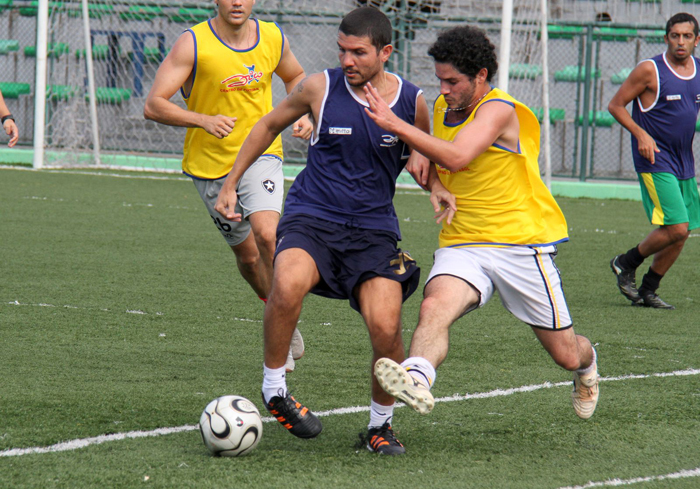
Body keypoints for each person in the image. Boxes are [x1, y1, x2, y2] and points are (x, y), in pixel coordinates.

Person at [215, 7, 430, 454]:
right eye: (342, 50)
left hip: (373, 234)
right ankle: (274, 388)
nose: (347, 60)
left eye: (359, 52)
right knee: (288, 283)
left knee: (386, 327)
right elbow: (267, 125)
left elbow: (423, 157)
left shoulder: (413, 101)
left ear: (385, 52)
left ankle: (379, 427)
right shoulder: (320, 86)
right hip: (312, 218)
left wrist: (438, 185)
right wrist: (232, 183)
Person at [365, 25, 600, 423]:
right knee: (435, 304)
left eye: (452, 81)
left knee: (565, 354)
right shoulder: (442, 108)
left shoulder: (499, 110)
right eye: (439, 79)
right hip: (463, 241)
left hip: (520, 245)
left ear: (480, 77)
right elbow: (431, 163)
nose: (443, 89)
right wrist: (434, 182)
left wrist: (397, 125)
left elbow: (457, 155)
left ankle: (588, 366)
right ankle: (417, 377)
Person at [144, 0, 313, 370]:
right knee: (250, 258)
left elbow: (296, 76)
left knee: (268, 235)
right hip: (209, 168)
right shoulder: (192, 44)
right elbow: (154, 104)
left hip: (261, 156)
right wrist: (202, 120)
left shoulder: (273, 37)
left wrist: (305, 111)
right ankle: (275, 306)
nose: (237, 2)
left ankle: (281, 327)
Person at [607, 12, 700, 310]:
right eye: (675, 35)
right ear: (666, 38)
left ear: (697, 40)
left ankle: (648, 290)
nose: (681, 42)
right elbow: (616, 105)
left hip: (684, 160)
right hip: (655, 158)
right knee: (677, 227)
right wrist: (641, 134)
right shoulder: (650, 70)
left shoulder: (699, 69)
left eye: (687, 36)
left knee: (682, 233)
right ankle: (625, 262)